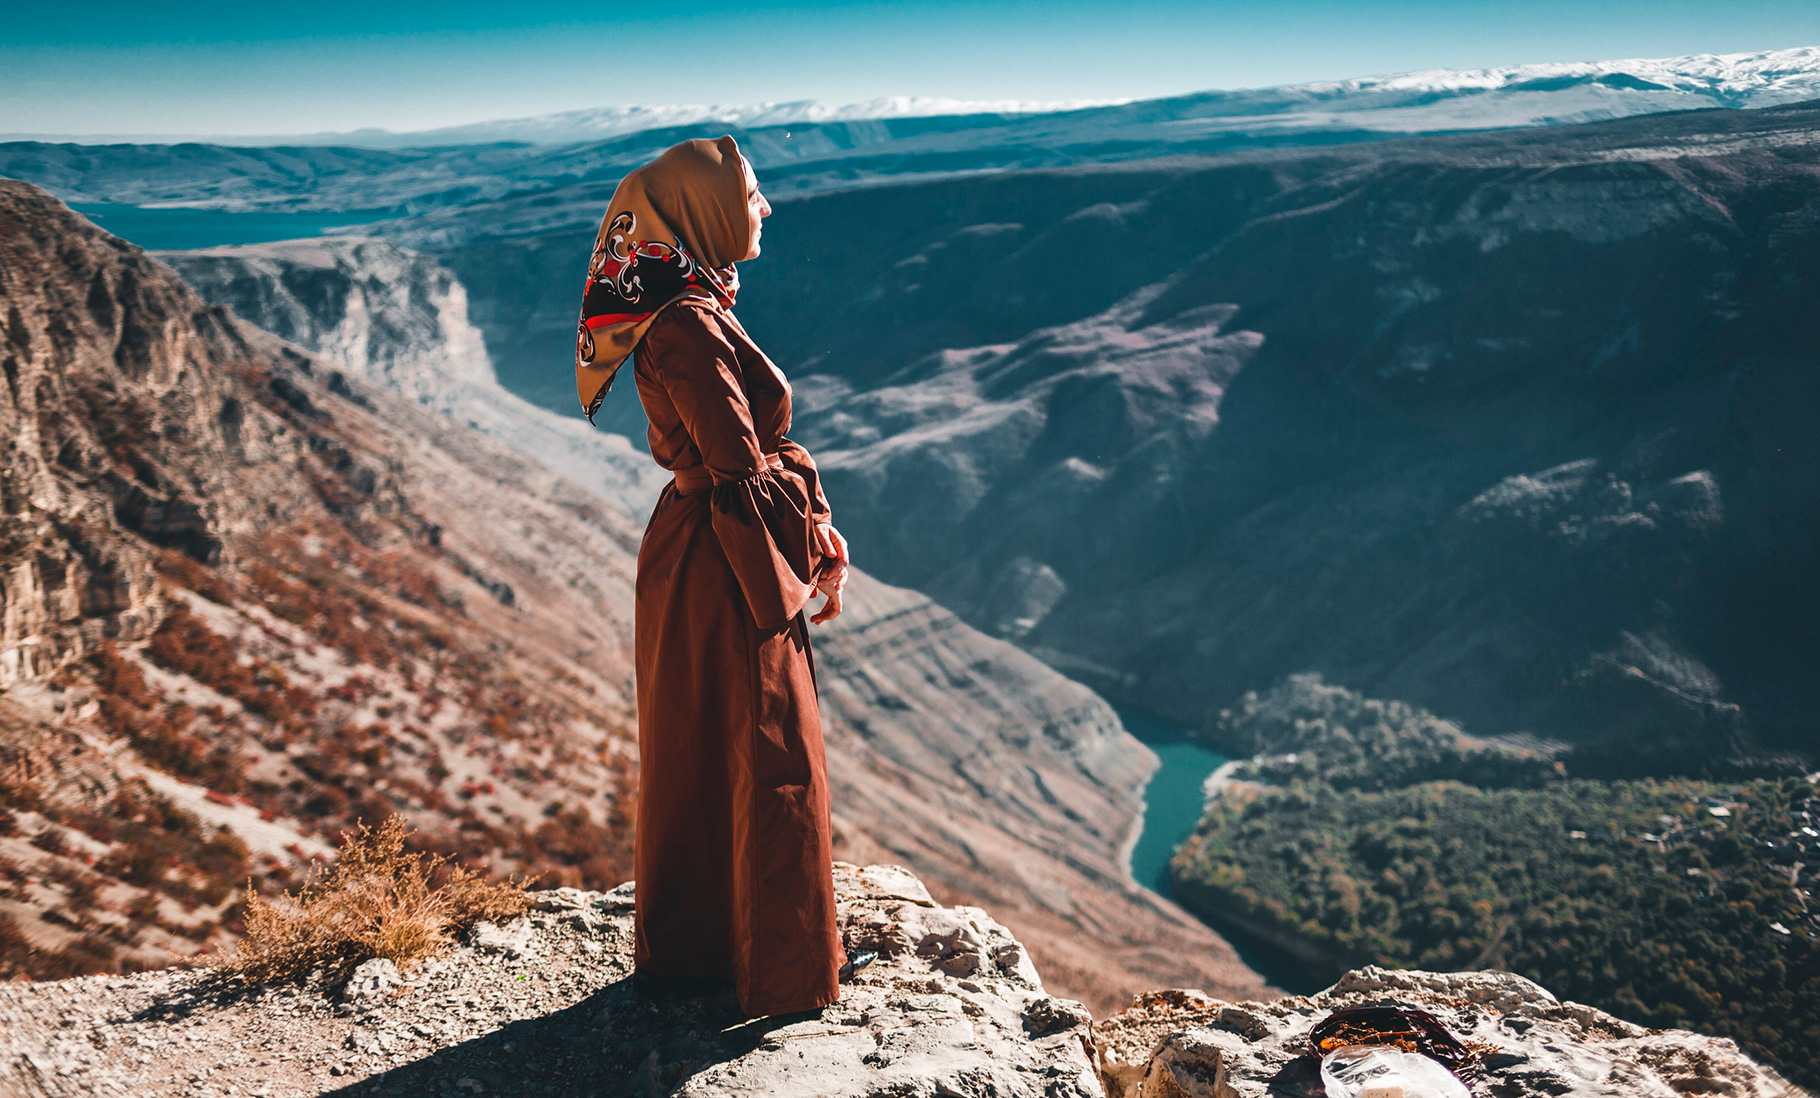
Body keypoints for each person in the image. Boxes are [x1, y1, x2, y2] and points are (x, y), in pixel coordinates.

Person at [574, 135, 856, 1017]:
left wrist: (809, 525)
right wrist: (810, 544)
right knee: (770, 748)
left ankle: (701, 951)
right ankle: (777, 969)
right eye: (752, 194)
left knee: (705, 747)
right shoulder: (690, 321)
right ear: (703, 212)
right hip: (728, 554)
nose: (764, 207)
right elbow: (739, 467)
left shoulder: (688, 301)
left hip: (706, 546)